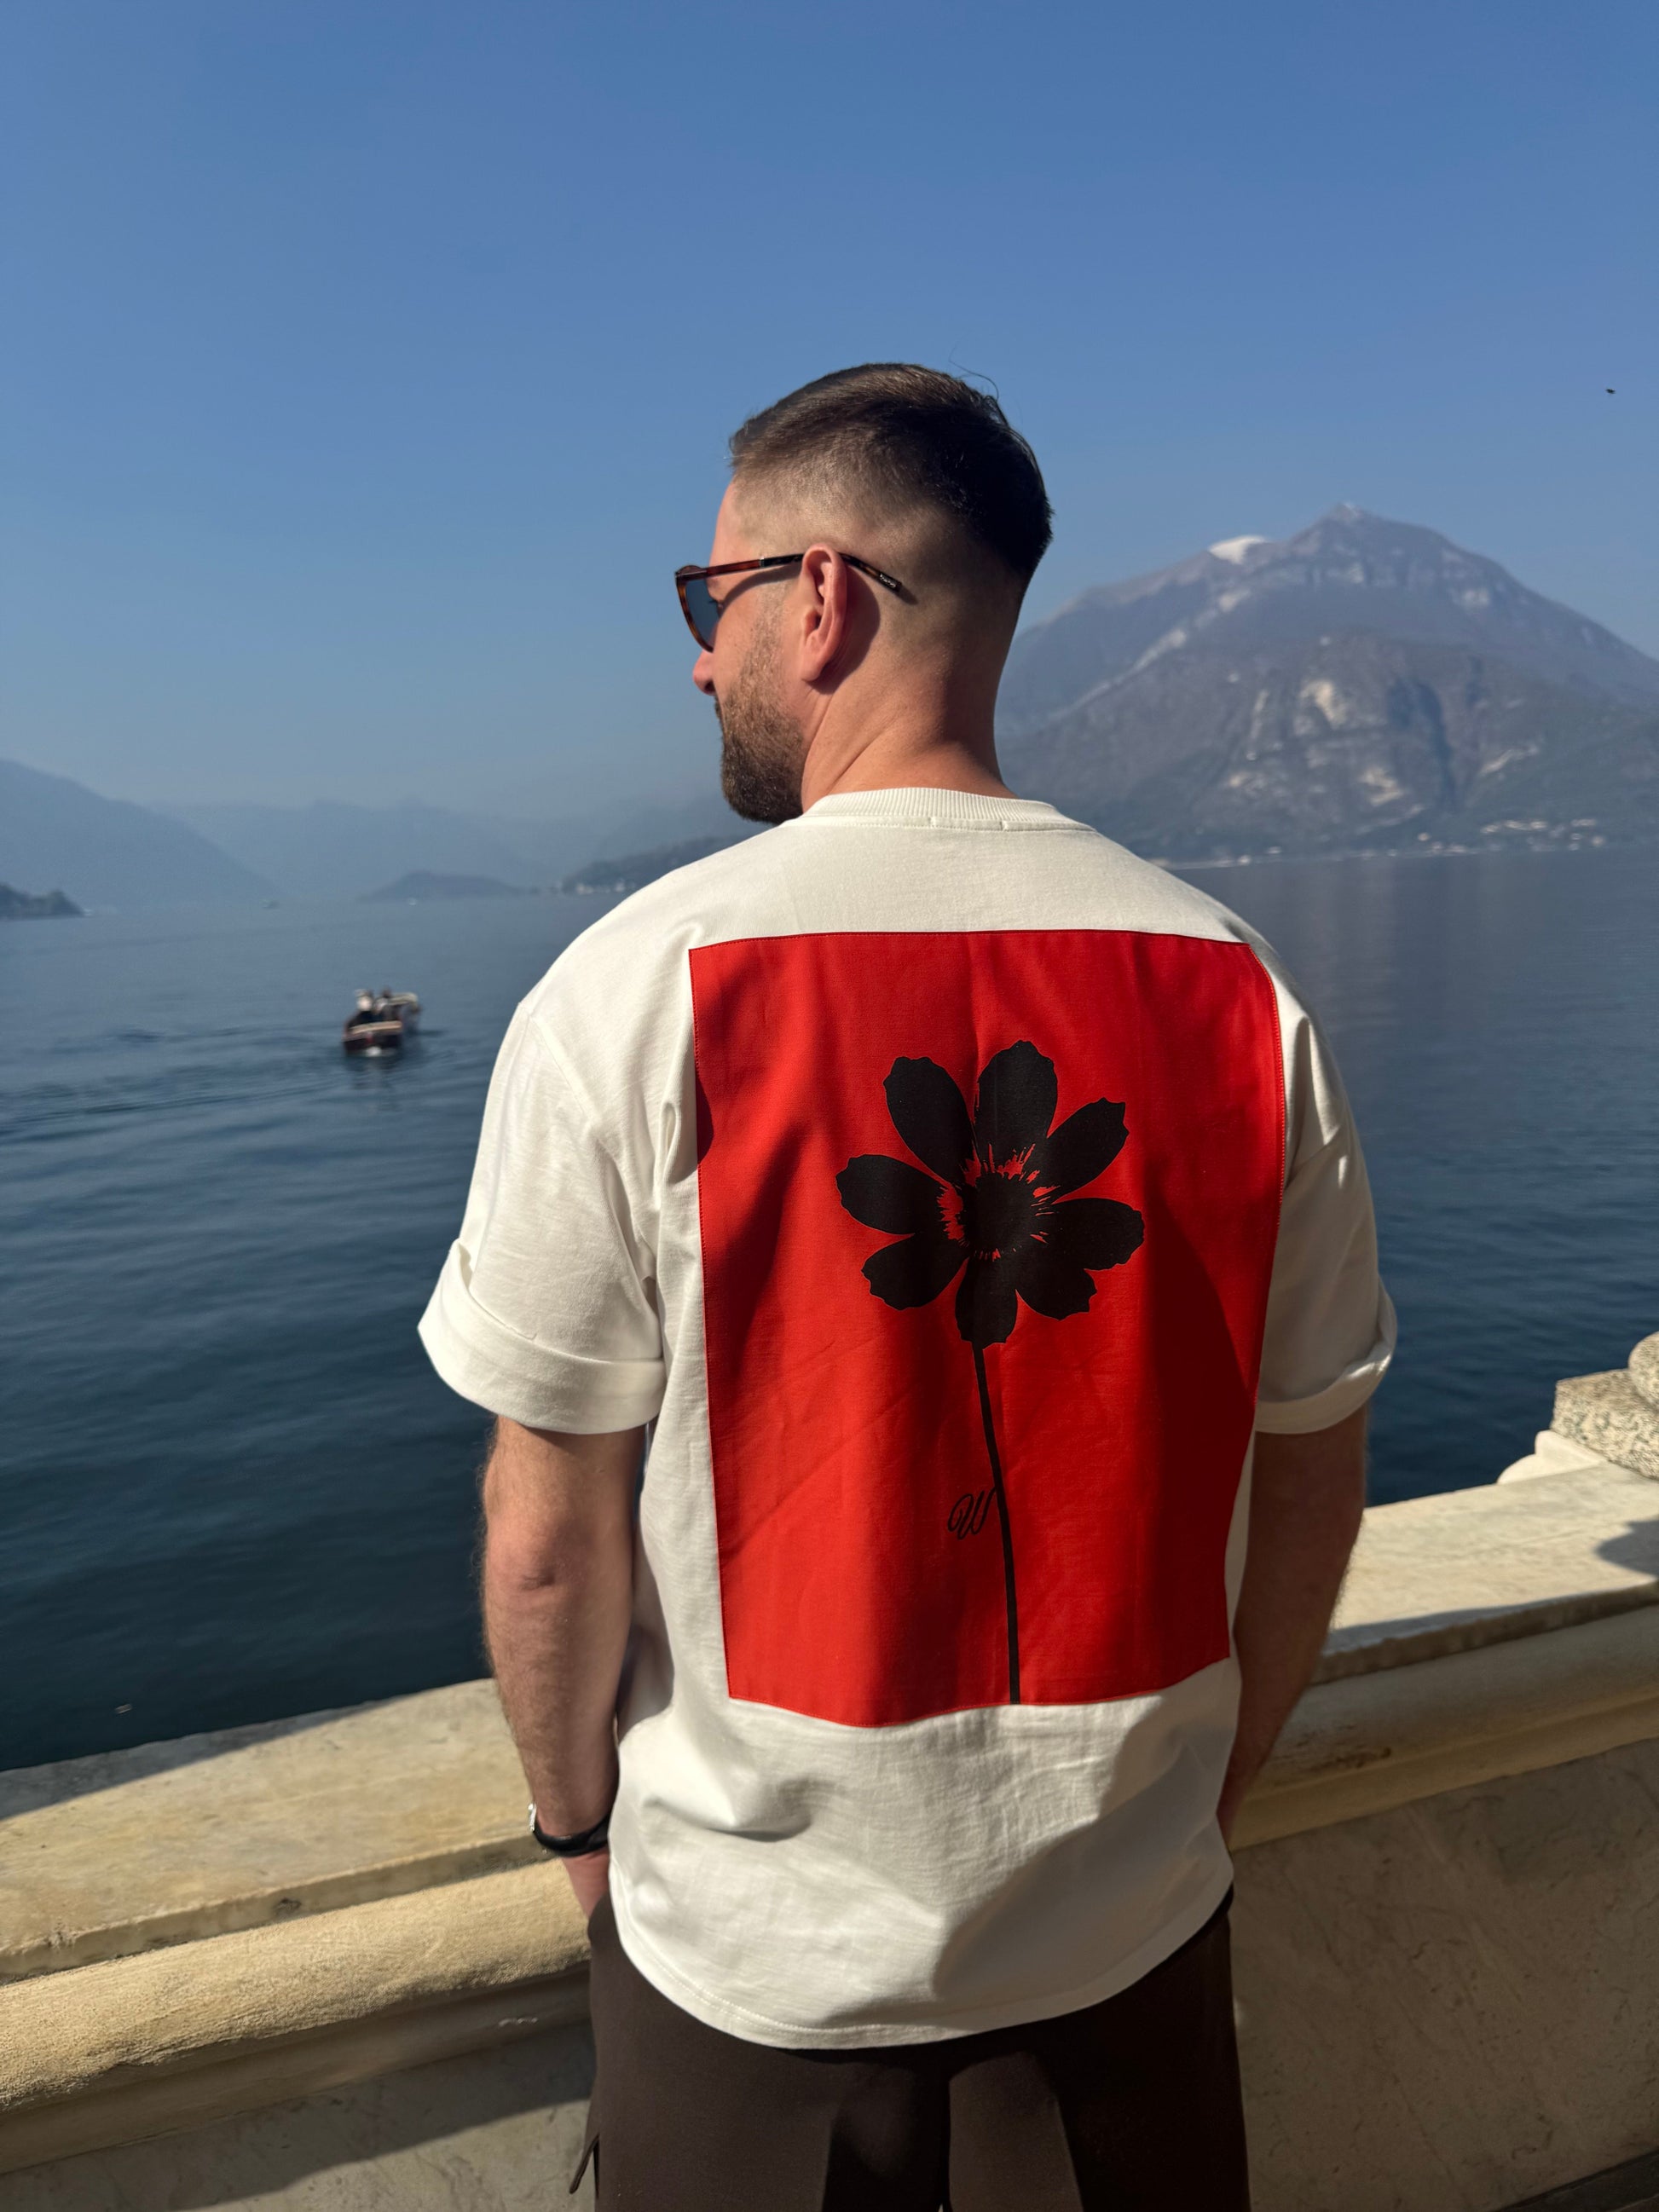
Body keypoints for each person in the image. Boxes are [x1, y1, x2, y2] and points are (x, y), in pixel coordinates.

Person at [419, 364, 1394, 2209]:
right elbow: (1312, 1474)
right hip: (1130, 1949)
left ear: (819, 598)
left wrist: (574, 1837)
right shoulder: (1237, 989)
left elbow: (547, 1541)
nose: (697, 661)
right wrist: (1205, 1796)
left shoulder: (631, 988)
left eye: (709, 599)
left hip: (751, 1977)